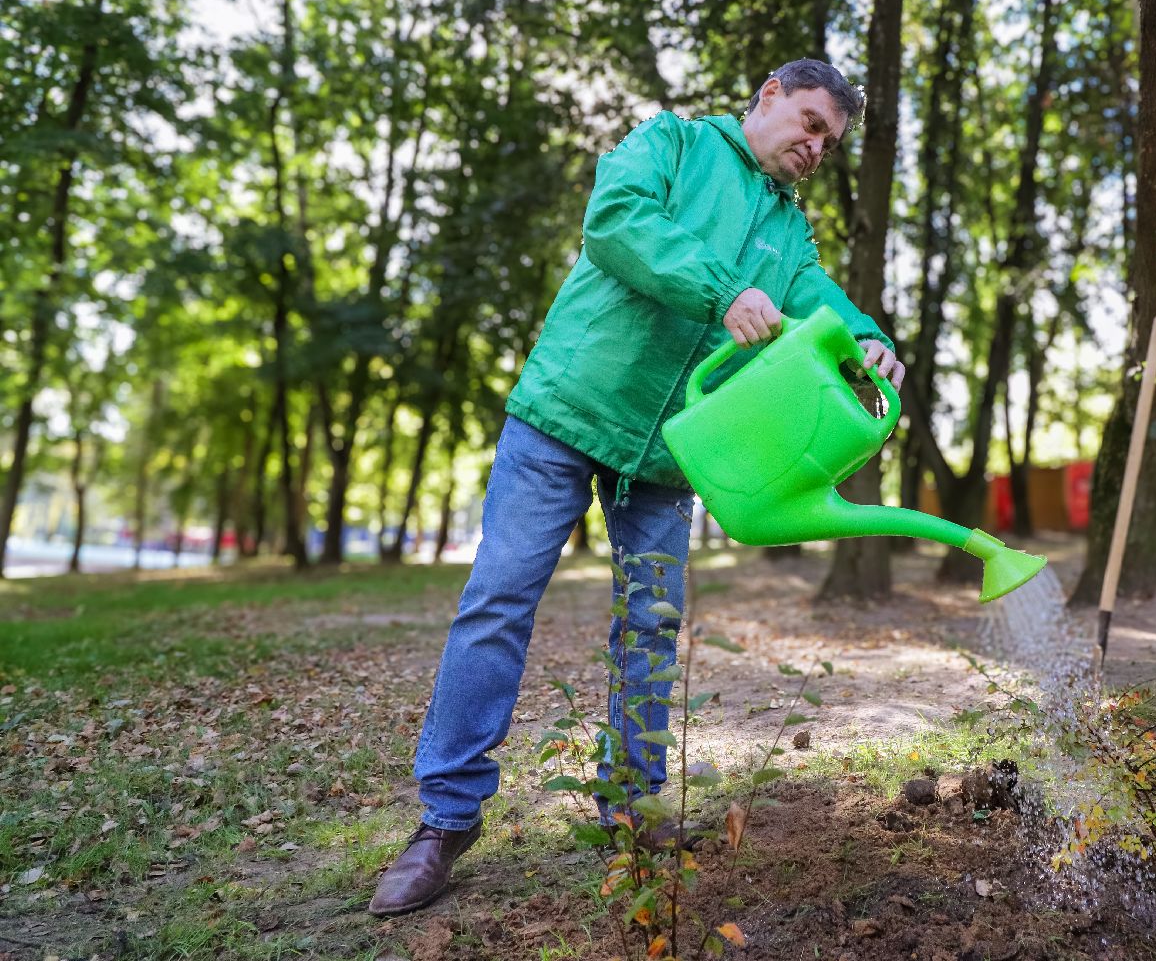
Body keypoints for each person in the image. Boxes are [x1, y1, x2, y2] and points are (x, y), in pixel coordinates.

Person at [368, 59, 906, 917]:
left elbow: (818, 304)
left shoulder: (790, 233)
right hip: (563, 414)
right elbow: (616, 223)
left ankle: (630, 807)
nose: (814, 147)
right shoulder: (675, 142)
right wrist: (723, 291)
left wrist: (870, 338)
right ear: (767, 94)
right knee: (500, 598)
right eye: (807, 123)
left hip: (662, 461)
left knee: (651, 625)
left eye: (829, 143)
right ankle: (445, 820)